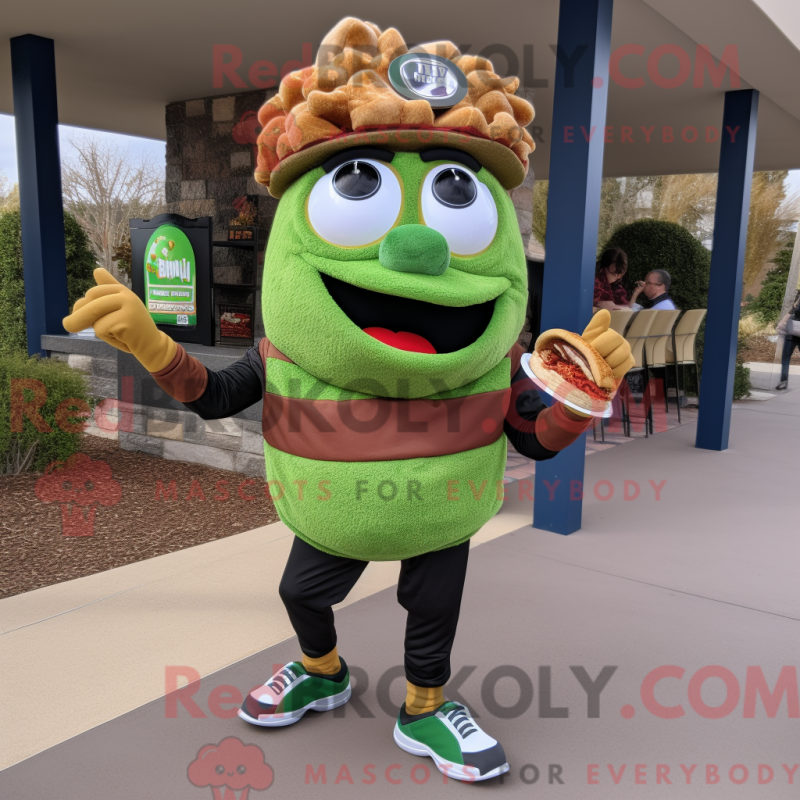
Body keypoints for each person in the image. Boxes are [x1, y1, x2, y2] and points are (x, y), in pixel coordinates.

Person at [63, 18, 635, 784]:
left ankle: (426, 707)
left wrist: (581, 397)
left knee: (433, 607)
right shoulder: (285, 352)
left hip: (441, 508)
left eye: (455, 195)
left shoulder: (495, 364)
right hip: (335, 508)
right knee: (299, 591)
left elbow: (534, 438)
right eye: (360, 187)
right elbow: (216, 396)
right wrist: (150, 344)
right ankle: (322, 669)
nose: (417, 249)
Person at [776, 291, 800, 390]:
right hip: (791, 334)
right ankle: (783, 381)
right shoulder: (797, 299)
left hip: (792, 333)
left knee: (785, 358)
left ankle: (783, 382)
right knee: (785, 358)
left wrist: (795, 307)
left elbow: (795, 312)